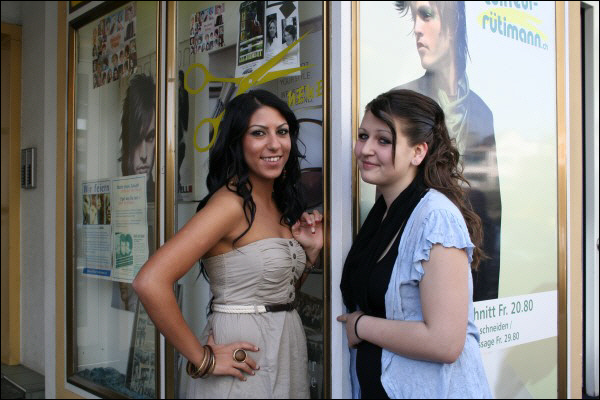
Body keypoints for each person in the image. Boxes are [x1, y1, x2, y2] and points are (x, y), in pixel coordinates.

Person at [133, 89, 323, 398]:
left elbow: (275, 294)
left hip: (284, 346)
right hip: (243, 357)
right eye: (258, 133)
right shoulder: (229, 205)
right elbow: (150, 281)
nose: (274, 144)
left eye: (282, 132)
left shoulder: (279, 203)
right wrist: (202, 359)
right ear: (237, 141)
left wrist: (310, 254)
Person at [338, 89, 491, 398]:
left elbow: (445, 343)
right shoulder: (383, 213)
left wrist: (360, 326)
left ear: (418, 152)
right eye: (363, 136)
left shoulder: (436, 217)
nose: (365, 149)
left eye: (384, 140)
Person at [393, 1, 501, 301]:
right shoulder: (400, 103)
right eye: (414, 17)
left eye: (426, 15)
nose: (417, 29)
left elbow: (490, 222)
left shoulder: (481, 113)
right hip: (410, 288)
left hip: (467, 286)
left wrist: (485, 299)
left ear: (452, 25)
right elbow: (388, 213)